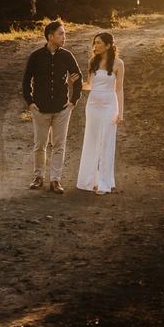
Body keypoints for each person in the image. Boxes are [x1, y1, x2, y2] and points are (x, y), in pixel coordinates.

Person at [22, 20, 82, 194]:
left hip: (62, 109)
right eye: (61, 34)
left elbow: (78, 78)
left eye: (64, 34)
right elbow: (26, 80)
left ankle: (55, 180)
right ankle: (38, 178)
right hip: (40, 109)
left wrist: (73, 101)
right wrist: (30, 102)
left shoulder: (67, 56)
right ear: (50, 36)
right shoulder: (36, 56)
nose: (64, 37)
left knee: (59, 145)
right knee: (40, 145)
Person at [75, 31, 124, 195]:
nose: (95, 46)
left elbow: (119, 89)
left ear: (108, 46)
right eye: (94, 43)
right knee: (92, 139)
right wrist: (73, 84)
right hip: (93, 105)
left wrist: (120, 112)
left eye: (98, 43)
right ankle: (89, 181)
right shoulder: (92, 62)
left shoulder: (118, 64)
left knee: (107, 142)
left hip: (110, 104)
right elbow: (89, 85)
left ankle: (104, 183)